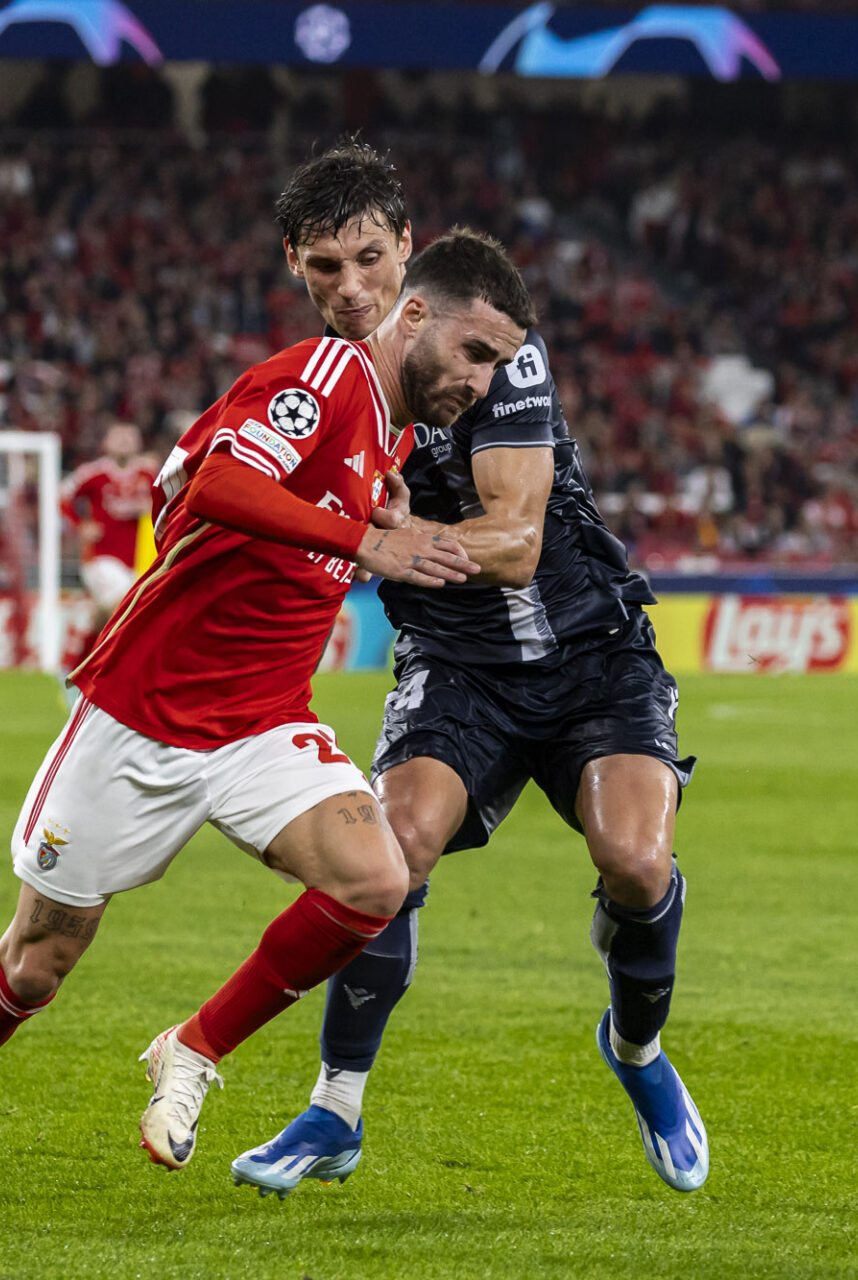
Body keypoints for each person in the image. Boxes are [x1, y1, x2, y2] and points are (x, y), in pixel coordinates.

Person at [0, 229, 529, 1226]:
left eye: (500, 364)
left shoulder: (394, 429)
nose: (485, 381)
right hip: (142, 716)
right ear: (416, 315)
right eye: (476, 354)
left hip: (262, 722)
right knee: (36, 959)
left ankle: (192, 1046)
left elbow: (199, 473)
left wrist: (376, 507)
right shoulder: (326, 372)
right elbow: (214, 485)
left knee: (378, 875)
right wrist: (365, 532)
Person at [229, 141, 706, 1198]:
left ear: (407, 261)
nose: (351, 289)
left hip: (592, 654)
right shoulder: (326, 385)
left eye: (370, 261)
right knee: (388, 856)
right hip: (458, 666)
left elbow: (517, 539)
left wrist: (372, 532)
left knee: (634, 862)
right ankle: (334, 1108)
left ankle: (636, 1051)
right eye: (325, 269)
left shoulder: (497, 345)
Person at [62, 421, 158, 632]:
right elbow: (62, 496)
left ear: (139, 442)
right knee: (123, 603)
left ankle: (82, 659)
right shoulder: (92, 473)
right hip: (101, 557)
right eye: (118, 436)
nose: (124, 441)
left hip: (141, 560)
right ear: (106, 443)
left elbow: (170, 504)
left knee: (113, 616)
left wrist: (153, 509)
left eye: (129, 436)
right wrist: (81, 525)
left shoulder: (151, 473)